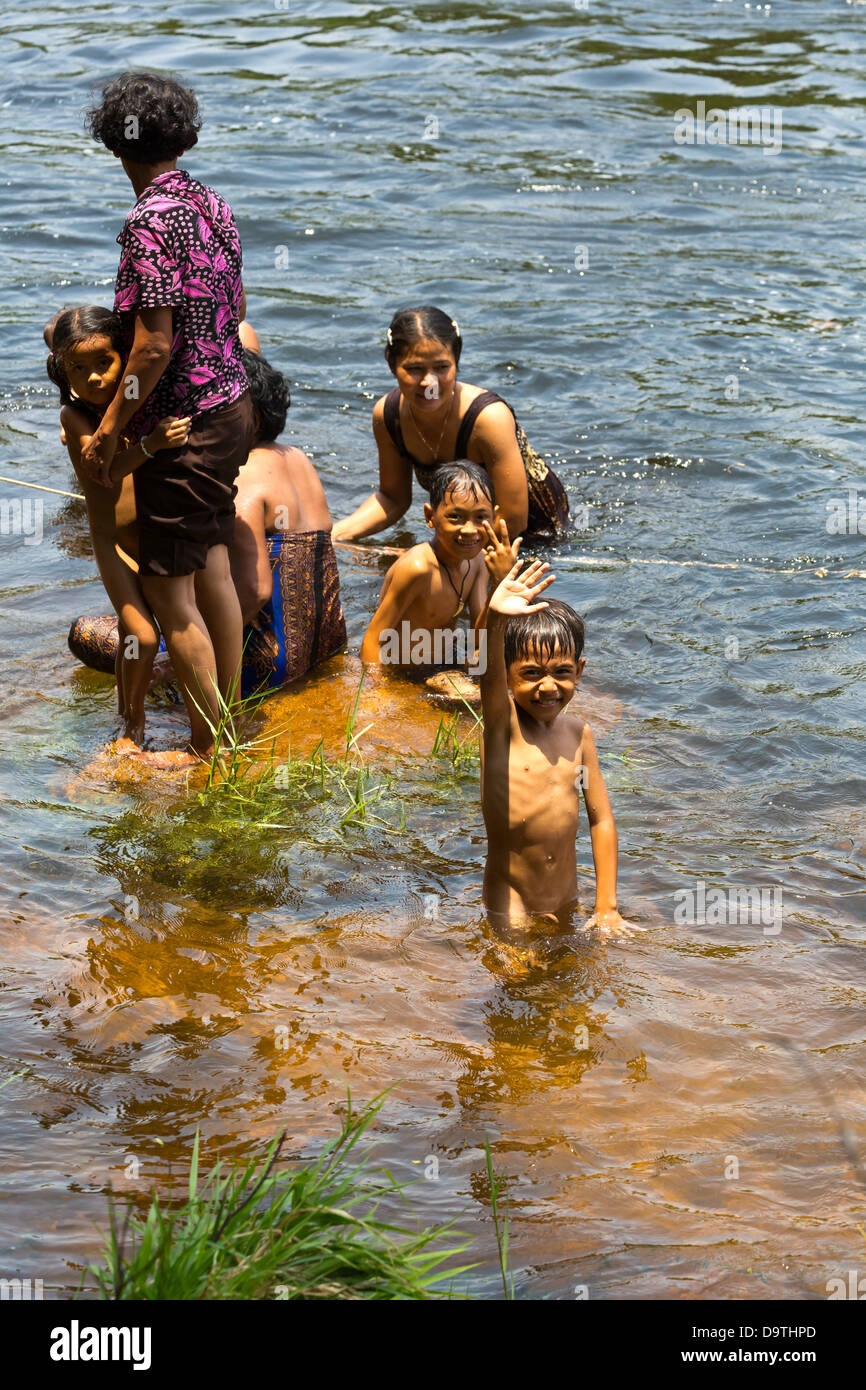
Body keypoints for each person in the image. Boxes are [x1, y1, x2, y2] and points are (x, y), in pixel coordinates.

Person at [80, 71, 255, 763]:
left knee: (169, 593)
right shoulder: (211, 202)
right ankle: (227, 723)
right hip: (231, 406)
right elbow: (234, 311)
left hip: (184, 424)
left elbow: (153, 344)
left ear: (116, 143)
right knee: (211, 570)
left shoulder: (148, 219)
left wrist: (108, 429)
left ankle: (211, 748)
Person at [68, 348, 347, 702]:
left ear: (250, 420)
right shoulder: (296, 457)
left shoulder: (244, 475)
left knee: (88, 633)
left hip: (269, 661)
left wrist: (169, 667)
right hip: (326, 645)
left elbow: (255, 591)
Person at [46, 304, 190, 745]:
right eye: (78, 368)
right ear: (62, 372)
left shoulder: (135, 402)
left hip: (149, 535)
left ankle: (137, 712)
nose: (93, 378)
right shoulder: (76, 419)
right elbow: (101, 472)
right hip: (112, 543)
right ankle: (131, 723)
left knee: (140, 633)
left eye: (103, 364)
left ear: (124, 359)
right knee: (143, 636)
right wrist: (149, 445)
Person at [480, 557, 632, 931]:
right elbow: (487, 676)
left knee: (579, 983)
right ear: (508, 674)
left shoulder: (579, 734)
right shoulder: (503, 727)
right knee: (514, 984)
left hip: (567, 898)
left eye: (561, 672)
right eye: (531, 673)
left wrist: (606, 906)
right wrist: (495, 618)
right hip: (510, 902)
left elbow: (601, 819)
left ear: (578, 671)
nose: (548, 687)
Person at [332, 305, 569, 546]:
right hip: (464, 536)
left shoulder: (488, 418)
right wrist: (334, 536)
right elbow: (393, 498)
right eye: (414, 369)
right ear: (392, 364)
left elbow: (513, 520)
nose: (429, 382)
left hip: (533, 533)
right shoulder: (389, 416)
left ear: (456, 360)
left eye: (442, 367)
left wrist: (438, 557)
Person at [360, 461, 517, 697]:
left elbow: (479, 638)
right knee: (480, 695)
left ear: (494, 517)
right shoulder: (417, 568)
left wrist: (499, 580)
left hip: (449, 659)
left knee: (512, 670)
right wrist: (375, 695)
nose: (469, 529)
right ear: (430, 516)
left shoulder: (478, 562)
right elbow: (372, 640)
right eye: (455, 517)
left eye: (480, 517)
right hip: (410, 670)